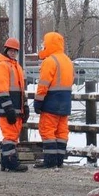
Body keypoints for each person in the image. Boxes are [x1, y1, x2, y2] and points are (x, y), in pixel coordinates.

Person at [33, 32, 75, 168]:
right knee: (62, 131)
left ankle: (50, 161)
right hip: (65, 101)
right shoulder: (68, 61)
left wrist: (38, 101)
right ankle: (59, 160)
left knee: (47, 130)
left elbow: (43, 84)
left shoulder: (50, 61)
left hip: (51, 101)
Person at [0, 37, 29, 172]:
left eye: (15, 51)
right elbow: (2, 89)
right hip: (7, 108)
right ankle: (10, 162)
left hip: (14, 108)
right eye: (11, 50)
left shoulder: (16, 66)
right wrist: (8, 108)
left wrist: (24, 106)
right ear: (6, 50)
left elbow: (21, 90)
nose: (13, 53)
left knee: (12, 135)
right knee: (10, 136)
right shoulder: (3, 66)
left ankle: (6, 162)